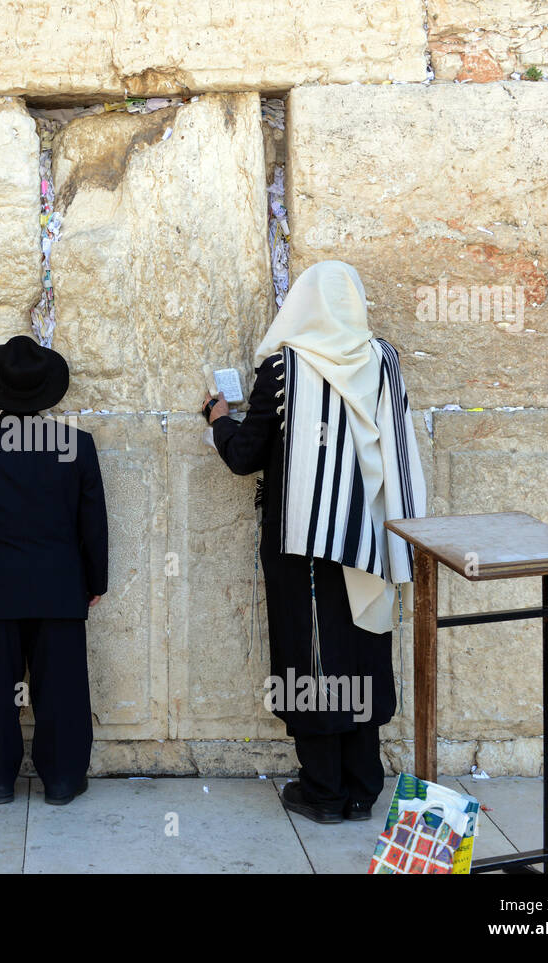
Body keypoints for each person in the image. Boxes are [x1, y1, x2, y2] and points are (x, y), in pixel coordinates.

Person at [204, 260, 426, 824]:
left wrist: (219, 418)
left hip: (301, 543)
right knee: (362, 648)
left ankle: (322, 789)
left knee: (311, 656)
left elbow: (243, 456)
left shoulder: (283, 370)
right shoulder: (384, 361)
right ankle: (361, 786)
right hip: (370, 539)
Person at [0, 335, 108, 806]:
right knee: (62, 687)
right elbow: (94, 522)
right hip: (59, 586)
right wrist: (96, 582)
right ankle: (64, 780)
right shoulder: (76, 445)